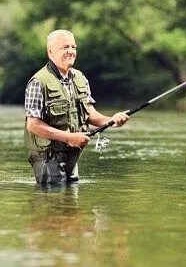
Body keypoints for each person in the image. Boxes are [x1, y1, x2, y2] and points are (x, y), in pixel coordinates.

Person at [24, 29, 129, 184]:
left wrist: (112, 120)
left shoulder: (80, 78)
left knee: (71, 203)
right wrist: (70, 137)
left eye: (73, 47)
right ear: (50, 51)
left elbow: (89, 113)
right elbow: (32, 125)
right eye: (65, 47)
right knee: (53, 203)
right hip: (48, 158)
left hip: (73, 155)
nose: (71, 51)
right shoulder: (38, 82)